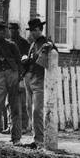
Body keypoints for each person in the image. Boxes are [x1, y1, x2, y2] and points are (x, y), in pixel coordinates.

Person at [21, 18, 54, 147]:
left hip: (38, 78)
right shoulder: (33, 44)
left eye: (35, 30)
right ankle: (36, 137)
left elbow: (51, 49)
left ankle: (39, 139)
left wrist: (48, 46)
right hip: (28, 77)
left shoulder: (46, 43)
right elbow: (32, 59)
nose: (32, 33)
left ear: (40, 29)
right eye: (31, 30)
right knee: (29, 109)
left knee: (37, 110)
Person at [7, 22, 32, 134]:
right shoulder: (6, 43)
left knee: (22, 102)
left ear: (18, 30)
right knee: (9, 102)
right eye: (10, 29)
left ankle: (24, 126)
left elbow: (27, 60)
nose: (12, 31)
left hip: (21, 75)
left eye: (14, 29)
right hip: (9, 75)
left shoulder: (24, 43)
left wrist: (23, 72)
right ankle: (10, 125)